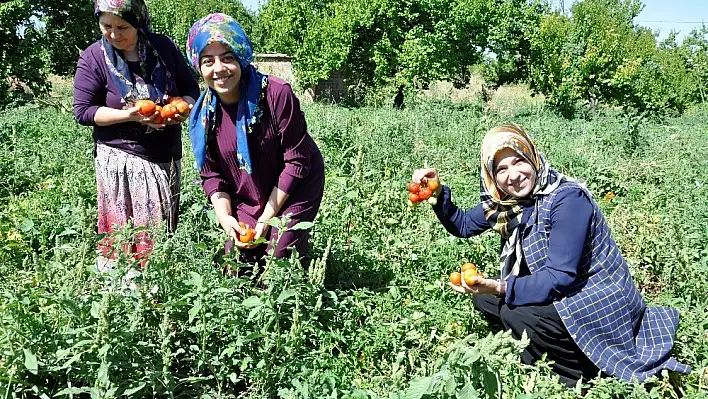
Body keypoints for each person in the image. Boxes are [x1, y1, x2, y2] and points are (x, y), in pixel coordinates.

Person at [411, 124, 690, 386]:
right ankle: (540, 346)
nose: (514, 175)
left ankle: (581, 375)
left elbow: (560, 276)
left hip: (596, 295)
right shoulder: (508, 203)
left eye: (519, 161)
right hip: (560, 286)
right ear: (492, 175)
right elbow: (463, 224)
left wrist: (501, 286)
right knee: (484, 298)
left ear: (533, 158)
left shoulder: (568, 200)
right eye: (502, 169)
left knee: (514, 312)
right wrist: (435, 192)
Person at [185, 13, 325, 264]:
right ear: (199, 66)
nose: (219, 69)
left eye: (227, 58)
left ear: (241, 57)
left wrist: (266, 219)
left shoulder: (275, 94)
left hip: (297, 183)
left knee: (278, 257)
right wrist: (226, 218)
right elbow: (211, 175)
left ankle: (299, 276)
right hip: (249, 189)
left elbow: (296, 162)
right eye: (208, 61)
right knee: (238, 264)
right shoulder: (202, 117)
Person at [73, 0, 200, 268]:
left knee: (162, 225)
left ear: (139, 22)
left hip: (167, 154)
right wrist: (128, 115)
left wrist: (182, 108)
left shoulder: (163, 48)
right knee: (131, 231)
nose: (114, 34)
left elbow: (190, 87)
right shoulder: (94, 57)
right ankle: (123, 291)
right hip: (122, 156)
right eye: (106, 25)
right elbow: (84, 112)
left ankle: (156, 292)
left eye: (122, 26)